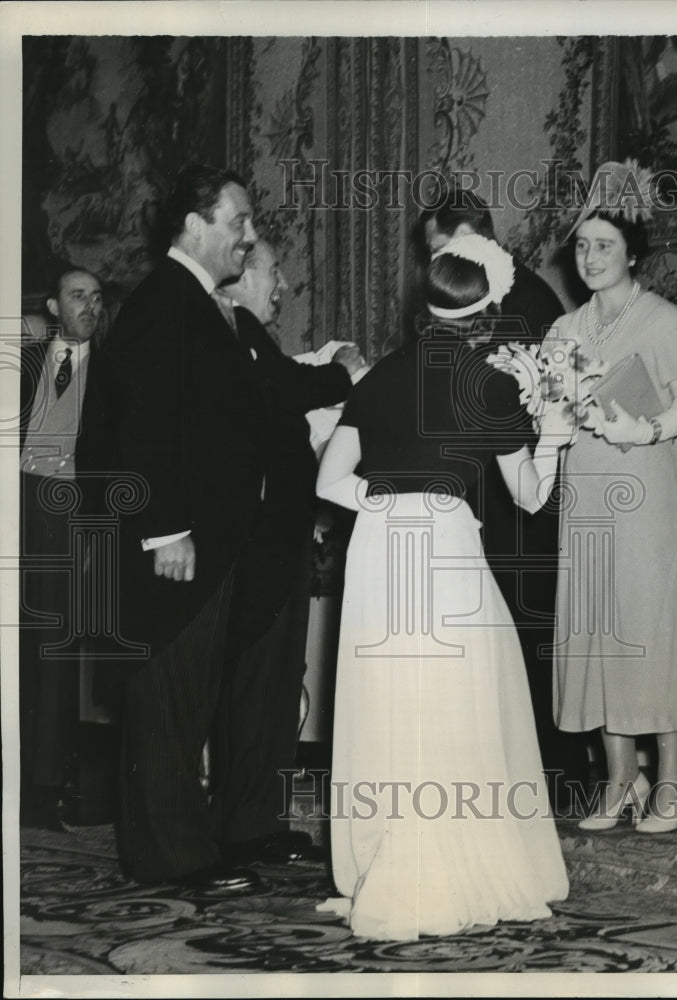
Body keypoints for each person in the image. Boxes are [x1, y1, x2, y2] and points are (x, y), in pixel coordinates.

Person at [76, 164, 354, 891]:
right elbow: (141, 425)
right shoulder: (164, 304)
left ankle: (221, 839)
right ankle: (172, 858)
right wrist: (163, 530)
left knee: (191, 692)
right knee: (169, 697)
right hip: (172, 544)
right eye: (239, 222)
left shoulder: (199, 306)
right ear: (195, 226)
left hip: (211, 542)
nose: (249, 236)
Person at [315, 232, 570, 941]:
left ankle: (382, 862)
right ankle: (450, 861)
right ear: (487, 316)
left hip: (377, 551)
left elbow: (329, 482)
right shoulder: (489, 385)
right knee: (453, 703)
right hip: (445, 545)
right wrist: (554, 435)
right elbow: (527, 496)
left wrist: (387, 506)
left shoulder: (377, 379)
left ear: (423, 310)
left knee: (389, 700)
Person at [545, 160, 677, 833]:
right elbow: (548, 410)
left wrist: (642, 429)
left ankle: (675, 779)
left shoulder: (662, 321)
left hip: (646, 501)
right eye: (582, 246)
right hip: (586, 500)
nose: (590, 258)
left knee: (649, 634)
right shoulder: (564, 330)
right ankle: (621, 778)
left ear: (631, 254)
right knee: (596, 632)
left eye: (604, 246)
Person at [419, 186, 589, 810]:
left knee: (528, 634)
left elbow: (541, 404)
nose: (435, 267)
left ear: (470, 237)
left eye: (440, 250)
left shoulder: (523, 301)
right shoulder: (516, 293)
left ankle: (555, 778)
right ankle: (528, 775)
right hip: (497, 491)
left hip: (520, 497)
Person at [211, 241, 365, 865]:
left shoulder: (249, 333)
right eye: (273, 272)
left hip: (280, 534)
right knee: (258, 680)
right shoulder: (232, 330)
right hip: (260, 543)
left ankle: (261, 820)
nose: (281, 285)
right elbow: (278, 389)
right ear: (242, 274)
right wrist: (341, 372)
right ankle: (244, 825)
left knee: (277, 681)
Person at [19, 266, 102, 830]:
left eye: (96, 298)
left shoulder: (114, 371)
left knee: (53, 643)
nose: (90, 307)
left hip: (66, 506)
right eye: (77, 297)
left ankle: (47, 785)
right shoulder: (25, 359)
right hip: (16, 500)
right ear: (53, 306)